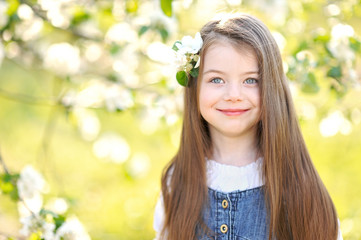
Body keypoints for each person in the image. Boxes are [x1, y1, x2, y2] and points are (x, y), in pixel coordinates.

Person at [154, 13, 342, 240]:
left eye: (251, 80)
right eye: (216, 80)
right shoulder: (178, 182)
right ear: (194, 86)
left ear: (271, 87)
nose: (234, 95)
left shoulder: (298, 185)